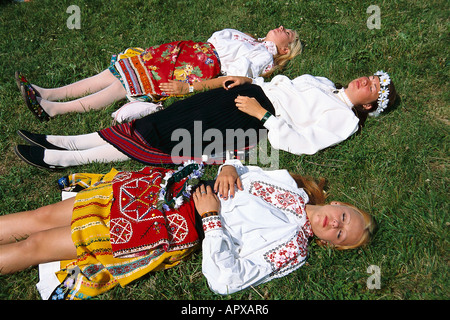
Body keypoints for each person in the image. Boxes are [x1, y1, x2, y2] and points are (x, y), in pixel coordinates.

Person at [0, 160, 375, 299]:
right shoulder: (287, 182)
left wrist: (212, 220)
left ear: (332, 244)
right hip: (163, 189)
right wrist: (229, 168)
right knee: (42, 216)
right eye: (343, 217)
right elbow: (242, 168)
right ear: (337, 203)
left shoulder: (293, 249)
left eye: (341, 233)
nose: (335, 224)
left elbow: (226, 281)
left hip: (164, 229)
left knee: (37, 245)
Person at [14, 70, 397, 170]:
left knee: (160, 137)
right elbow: (281, 86)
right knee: (154, 122)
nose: (368, 82)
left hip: (249, 118)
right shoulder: (324, 83)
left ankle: (63, 158)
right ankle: (65, 141)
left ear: (368, 106)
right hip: (240, 94)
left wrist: (264, 115)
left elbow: (301, 143)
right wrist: (249, 82)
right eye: (373, 77)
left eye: (374, 89)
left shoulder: (344, 120)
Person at [16, 26, 301, 121]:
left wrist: (192, 87)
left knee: (124, 86)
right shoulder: (249, 39)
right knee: (119, 72)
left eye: (288, 33)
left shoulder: (262, 56)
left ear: (285, 49)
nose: (282, 29)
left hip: (196, 66)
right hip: (185, 52)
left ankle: (54, 109)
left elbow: (231, 80)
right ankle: (46, 93)